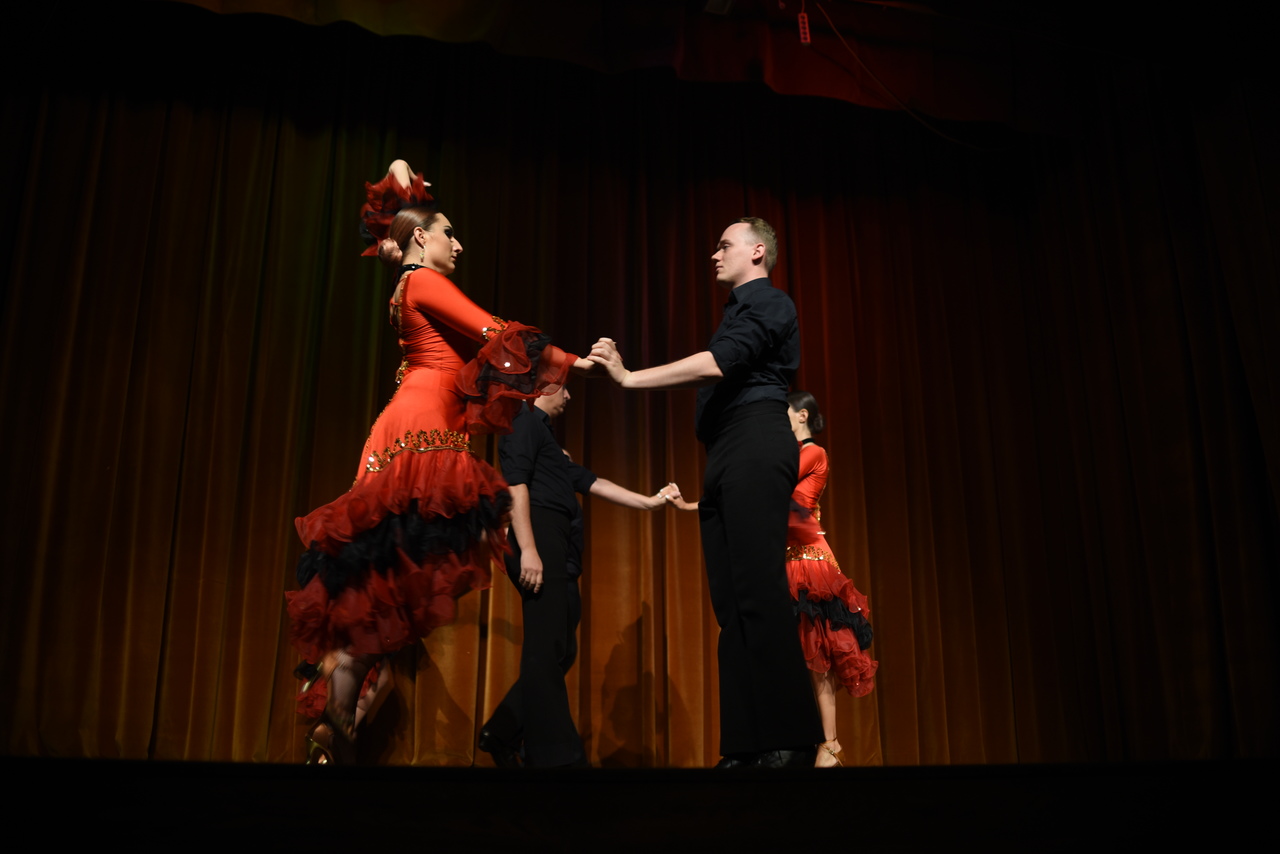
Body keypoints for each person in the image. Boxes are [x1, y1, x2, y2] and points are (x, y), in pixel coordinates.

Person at [287, 160, 592, 763]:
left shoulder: (409, 278)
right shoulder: (422, 279)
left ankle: (342, 704)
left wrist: (404, 208)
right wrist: (576, 363)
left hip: (414, 426)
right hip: (420, 431)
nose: (459, 244)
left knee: (390, 581)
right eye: (448, 232)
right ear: (421, 239)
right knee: (403, 570)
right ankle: (343, 703)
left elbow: (397, 206)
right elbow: (493, 332)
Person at [589, 217, 823, 768]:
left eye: (724, 245)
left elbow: (716, 365)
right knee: (732, 606)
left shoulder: (771, 302)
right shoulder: (736, 314)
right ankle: (746, 745)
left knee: (759, 593)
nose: (714, 255)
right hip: (724, 452)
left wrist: (628, 377)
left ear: (758, 251)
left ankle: (791, 739)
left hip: (755, 440)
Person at [478, 384, 680, 767]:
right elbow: (516, 485)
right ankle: (557, 756)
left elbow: (593, 481)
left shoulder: (549, 442)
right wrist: (530, 550)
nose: (569, 396)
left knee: (562, 649)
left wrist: (651, 502)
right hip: (538, 536)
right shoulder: (522, 421)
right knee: (545, 649)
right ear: (545, 386)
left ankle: (503, 730)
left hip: (559, 548)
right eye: (565, 386)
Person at [782, 391, 877, 766]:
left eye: (784, 414)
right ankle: (808, 740)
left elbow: (776, 482)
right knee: (796, 656)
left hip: (810, 563)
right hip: (787, 560)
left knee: (818, 652)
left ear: (802, 416)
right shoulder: (791, 454)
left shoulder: (813, 452)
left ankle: (830, 744)